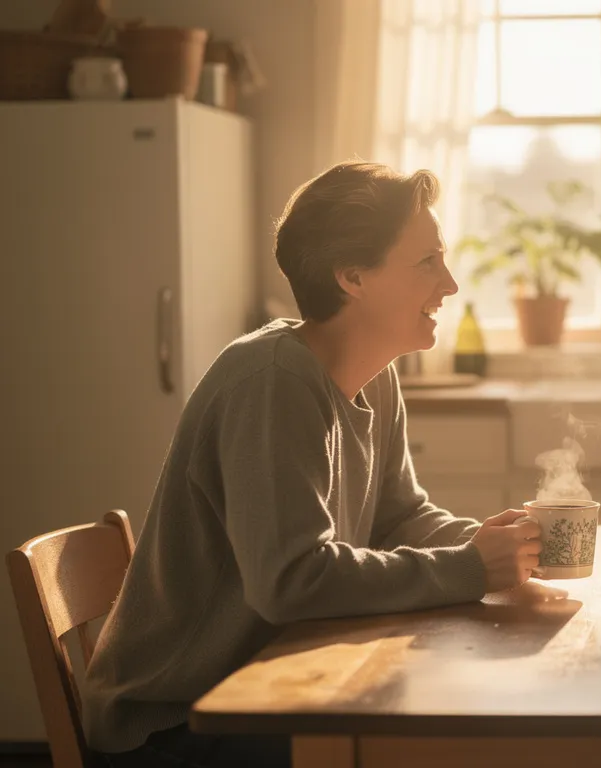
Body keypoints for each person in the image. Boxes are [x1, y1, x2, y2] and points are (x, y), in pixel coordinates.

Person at [84, 162, 542, 767]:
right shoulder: (271, 381)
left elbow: (399, 517)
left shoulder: (374, 376)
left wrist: (495, 543)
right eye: (427, 261)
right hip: (178, 723)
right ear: (353, 277)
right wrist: (469, 568)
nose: (450, 284)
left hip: (270, 686)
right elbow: (290, 580)